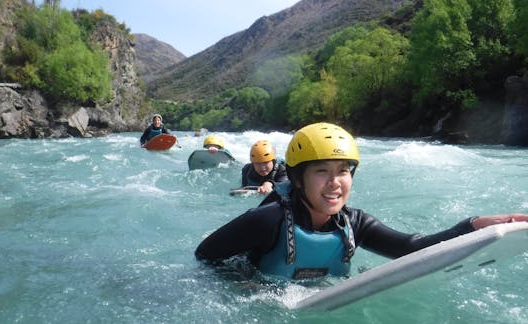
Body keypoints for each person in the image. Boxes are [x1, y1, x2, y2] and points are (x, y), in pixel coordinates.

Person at [195, 122, 528, 280]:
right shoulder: (267, 221)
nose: (335, 183)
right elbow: (205, 255)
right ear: (297, 180)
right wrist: (243, 287)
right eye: (322, 171)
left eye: (344, 171)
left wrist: (472, 226)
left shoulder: (353, 223)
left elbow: (413, 247)